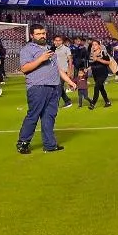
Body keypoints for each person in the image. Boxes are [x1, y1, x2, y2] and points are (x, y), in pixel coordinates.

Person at [16, 24, 76, 154]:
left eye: (43, 33)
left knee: (49, 116)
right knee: (33, 116)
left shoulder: (49, 49)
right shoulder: (27, 49)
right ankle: (23, 143)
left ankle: (49, 145)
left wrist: (69, 81)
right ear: (32, 35)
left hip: (54, 87)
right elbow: (24, 68)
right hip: (38, 87)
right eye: (38, 34)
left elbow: (57, 68)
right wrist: (41, 59)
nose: (42, 36)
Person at [87, 39, 112, 109]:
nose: (94, 46)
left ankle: (93, 103)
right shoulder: (91, 54)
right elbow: (92, 64)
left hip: (103, 73)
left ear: (99, 45)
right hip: (95, 74)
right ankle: (107, 102)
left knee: (96, 87)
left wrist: (98, 59)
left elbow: (108, 62)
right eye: (93, 45)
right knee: (101, 88)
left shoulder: (103, 52)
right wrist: (88, 68)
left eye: (95, 45)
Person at [53, 36, 74, 108]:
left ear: (62, 41)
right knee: (59, 87)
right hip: (56, 71)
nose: (57, 42)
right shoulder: (55, 50)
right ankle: (67, 101)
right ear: (54, 41)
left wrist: (70, 71)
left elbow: (70, 60)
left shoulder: (66, 49)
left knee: (59, 87)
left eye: (59, 40)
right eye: (56, 40)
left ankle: (55, 104)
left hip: (64, 71)